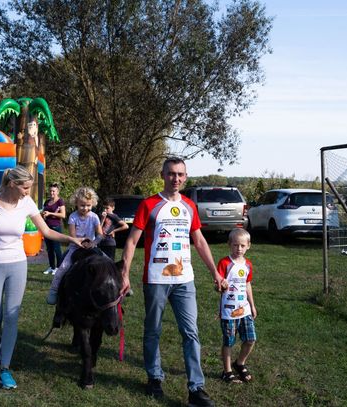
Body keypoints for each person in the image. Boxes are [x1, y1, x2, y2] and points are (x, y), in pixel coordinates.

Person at [120, 157, 227, 407]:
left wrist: (215, 272)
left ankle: (196, 389)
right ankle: (154, 377)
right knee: (153, 330)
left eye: (180, 174)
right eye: (170, 174)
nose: (175, 179)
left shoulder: (189, 206)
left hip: (184, 281)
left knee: (191, 332)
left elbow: (199, 241)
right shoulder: (149, 204)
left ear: (185, 177)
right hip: (156, 279)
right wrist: (124, 273)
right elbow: (132, 241)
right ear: (162, 175)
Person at [0, 166, 84, 390]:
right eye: (25, 187)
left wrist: (72, 240)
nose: (28, 192)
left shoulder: (27, 203)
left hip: (17, 264)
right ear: (13, 184)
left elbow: (47, 232)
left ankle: (5, 368)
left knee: (11, 317)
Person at [46, 186, 103, 305]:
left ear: (92, 204)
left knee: (108, 263)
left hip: (92, 247)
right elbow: (72, 235)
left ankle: (120, 284)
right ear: (76, 203)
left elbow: (100, 235)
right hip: (75, 247)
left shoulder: (94, 217)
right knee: (63, 267)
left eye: (88, 205)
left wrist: (93, 243)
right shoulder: (73, 217)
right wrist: (79, 242)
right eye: (82, 205)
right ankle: (54, 290)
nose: (85, 208)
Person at [217, 228, 257, 384]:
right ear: (229, 244)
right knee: (229, 342)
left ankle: (239, 363)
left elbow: (247, 284)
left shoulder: (248, 265)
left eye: (242, 245)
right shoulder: (224, 263)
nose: (239, 249)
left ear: (248, 246)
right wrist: (221, 285)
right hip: (229, 311)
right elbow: (217, 286)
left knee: (250, 339)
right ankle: (227, 372)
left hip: (245, 309)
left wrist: (252, 306)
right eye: (235, 245)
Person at [41, 182, 66, 275]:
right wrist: (43, 214)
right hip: (46, 227)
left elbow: (63, 215)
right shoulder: (47, 202)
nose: (51, 193)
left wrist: (50, 213)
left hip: (56, 227)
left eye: (53, 191)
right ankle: (52, 267)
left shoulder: (60, 202)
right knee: (49, 248)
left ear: (57, 192)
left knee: (56, 248)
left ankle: (59, 267)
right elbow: (44, 212)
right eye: (50, 191)